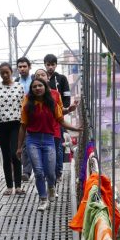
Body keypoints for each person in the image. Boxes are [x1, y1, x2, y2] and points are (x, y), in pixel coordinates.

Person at [16, 77, 76, 212]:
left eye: (40, 86)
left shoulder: (52, 103)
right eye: (34, 86)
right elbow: (23, 126)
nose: (37, 88)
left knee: (50, 172)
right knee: (38, 172)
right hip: (32, 140)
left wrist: (75, 129)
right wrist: (19, 147)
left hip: (49, 140)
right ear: (31, 89)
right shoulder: (28, 105)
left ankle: (51, 186)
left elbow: (61, 121)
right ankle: (43, 199)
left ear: (45, 87)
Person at [0, 62, 25, 196]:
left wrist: (26, 122)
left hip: (16, 123)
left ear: (11, 72)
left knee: (15, 153)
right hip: (1, 124)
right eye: (2, 73)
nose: (5, 75)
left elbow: (23, 105)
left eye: (7, 72)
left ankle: (18, 186)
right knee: (6, 155)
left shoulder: (19, 86)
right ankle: (9, 186)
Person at [44, 54, 77, 183]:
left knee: (58, 144)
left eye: (52, 64)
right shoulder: (41, 80)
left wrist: (64, 107)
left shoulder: (61, 79)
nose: (50, 67)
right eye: (48, 64)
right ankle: (49, 171)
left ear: (56, 65)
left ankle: (58, 171)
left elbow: (67, 96)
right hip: (44, 117)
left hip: (58, 115)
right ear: (45, 65)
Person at [16, 57, 33, 180]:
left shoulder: (35, 81)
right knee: (20, 144)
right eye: (20, 67)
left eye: (24, 66)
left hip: (33, 116)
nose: (22, 69)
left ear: (29, 67)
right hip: (18, 117)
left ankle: (27, 172)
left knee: (29, 144)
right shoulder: (15, 83)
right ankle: (22, 171)